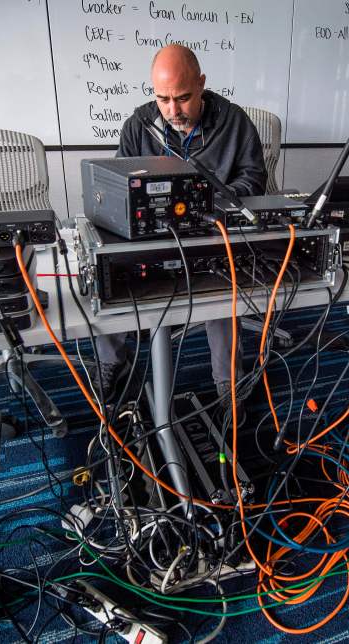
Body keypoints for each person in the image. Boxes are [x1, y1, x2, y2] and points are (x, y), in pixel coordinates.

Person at [91, 44, 267, 414]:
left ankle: (228, 382)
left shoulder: (235, 123)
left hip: (210, 232)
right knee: (110, 276)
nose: (173, 110)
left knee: (225, 285)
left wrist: (210, 204)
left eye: (183, 98)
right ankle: (111, 362)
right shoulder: (138, 124)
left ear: (202, 84)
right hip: (149, 235)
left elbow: (254, 180)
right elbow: (117, 183)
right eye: (163, 99)